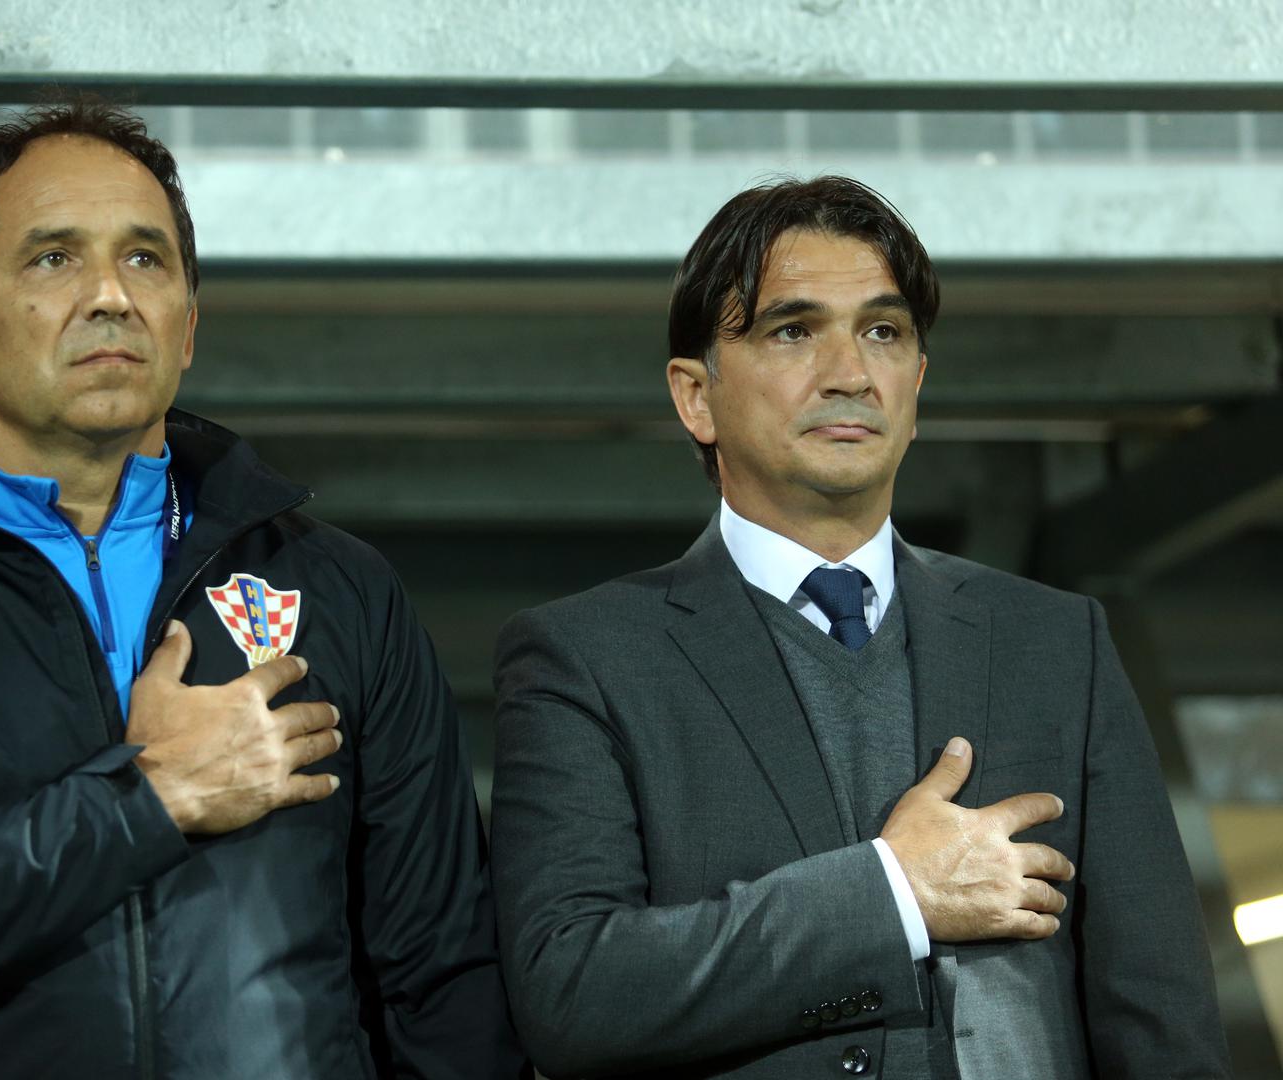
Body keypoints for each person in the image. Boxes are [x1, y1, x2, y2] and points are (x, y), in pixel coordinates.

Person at [0, 98, 525, 1079]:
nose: (110, 296)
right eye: (53, 258)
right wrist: (143, 801)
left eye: (145, 259)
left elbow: (444, 984)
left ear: (188, 327)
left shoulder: (339, 587)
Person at [489, 176, 1229, 1079]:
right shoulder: (585, 658)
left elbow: (1162, 1017)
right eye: (793, 331)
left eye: (883, 332)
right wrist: (891, 894)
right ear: (696, 397)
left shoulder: (1057, 642)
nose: (850, 373)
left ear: (916, 383)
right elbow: (572, 993)